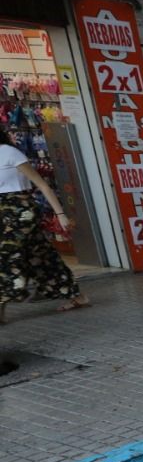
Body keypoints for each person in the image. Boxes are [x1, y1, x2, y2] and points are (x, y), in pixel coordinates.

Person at [0, 128, 89, 323]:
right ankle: (76, 296)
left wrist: (60, 214)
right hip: (4, 214)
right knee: (41, 257)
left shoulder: (9, 152)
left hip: (21, 213)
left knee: (6, 258)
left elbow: (42, 185)